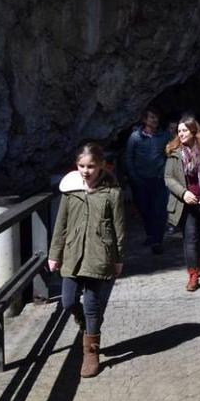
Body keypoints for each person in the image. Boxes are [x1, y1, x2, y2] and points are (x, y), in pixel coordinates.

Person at [48, 142, 126, 378]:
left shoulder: (112, 193)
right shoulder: (70, 192)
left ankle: (91, 352)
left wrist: (119, 257)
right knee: (68, 301)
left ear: (101, 165)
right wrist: (54, 253)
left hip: (99, 255)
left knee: (92, 304)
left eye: (91, 166)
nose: (85, 170)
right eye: (81, 166)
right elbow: (60, 225)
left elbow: (119, 227)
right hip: (72, 254)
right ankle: (86, 325)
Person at [164, 112, 200, 292]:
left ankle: (198, 262)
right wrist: (183, 193)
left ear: (193, 131)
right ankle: (193, 274)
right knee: (190, 239)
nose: (180, 134)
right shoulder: (174, 153)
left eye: (184, 131)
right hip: (186, 204)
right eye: (179, 131)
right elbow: (168, 177)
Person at [124, 106, 170, 254]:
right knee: (145, 209)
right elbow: (128, 157)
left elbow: (172, 153)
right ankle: (151, 234)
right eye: (151, 117)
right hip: (141, 180)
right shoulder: (135, 137)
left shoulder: (164, 136)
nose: (155, 120)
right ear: (145, 120)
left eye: (156, 117)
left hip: (160, 179)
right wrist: (134, 177)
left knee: (160, 210)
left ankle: (157, 240)